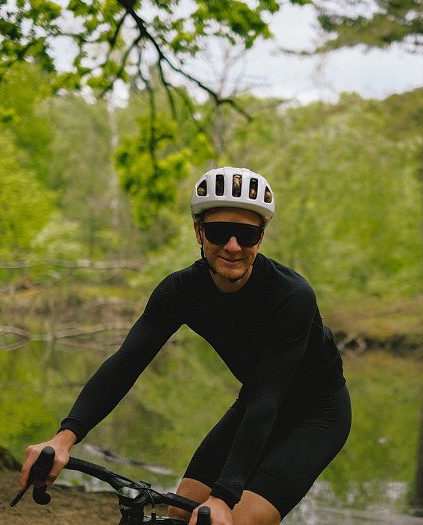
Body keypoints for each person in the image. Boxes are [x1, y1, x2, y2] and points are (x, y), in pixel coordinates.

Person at [19, 167, 352, 525]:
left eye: (247, 234)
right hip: (254, 404)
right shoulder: (180, 292)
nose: (233, 246)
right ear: (199, 231)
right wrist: (65, 438)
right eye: (219, 232)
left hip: (317, 415)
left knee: (237, 520)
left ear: (261, 237)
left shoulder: (292, 296)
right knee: (182, 512)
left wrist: (224, 496)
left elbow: (269, 397)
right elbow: (125, 363)